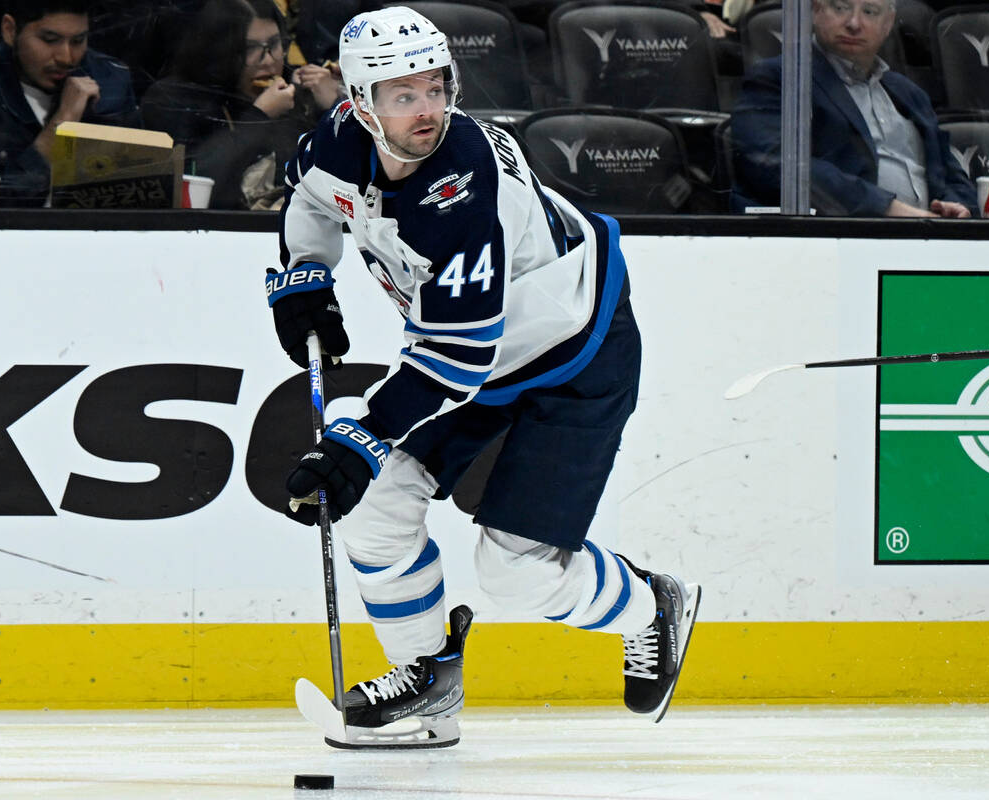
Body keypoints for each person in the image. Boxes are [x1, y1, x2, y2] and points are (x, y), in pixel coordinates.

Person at [267, 6, 701, 749]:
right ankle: (428, 687)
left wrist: (363, 438)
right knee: (372, 508)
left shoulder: (460, 187)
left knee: (517, 575)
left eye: (436, 88)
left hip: (574, 353)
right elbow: (308, 197)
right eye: (404, 95)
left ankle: (650, 607)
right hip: (476, 353)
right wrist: (305, 274)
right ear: (360, 103)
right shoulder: (337, 142)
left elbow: (457, 357)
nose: (427, 110)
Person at [730, 0, 977, 217]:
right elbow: (780, 166)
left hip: (931, 239)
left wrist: (958, 208)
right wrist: (886, 208)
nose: (854, 23)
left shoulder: (910, 94)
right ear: (816, 10)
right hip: (838, 239)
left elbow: (952, 173)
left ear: (888, 23)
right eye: (840, 7)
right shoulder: (781, 79)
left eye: (870, 11)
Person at [0, 0, 140, 206]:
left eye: (78, 41)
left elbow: (138, 186)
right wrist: (63, 123)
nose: (66, 57)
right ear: (10, 31)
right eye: (50, 40)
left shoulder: (110, 80)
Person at [142, 0, 341, 211]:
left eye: (274, 44)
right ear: (219, 50)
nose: (268, 60)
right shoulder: (176, 98)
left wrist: (336, 107)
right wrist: (259, 115)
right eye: (250, 48)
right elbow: (196, 183)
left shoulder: (296, 99)